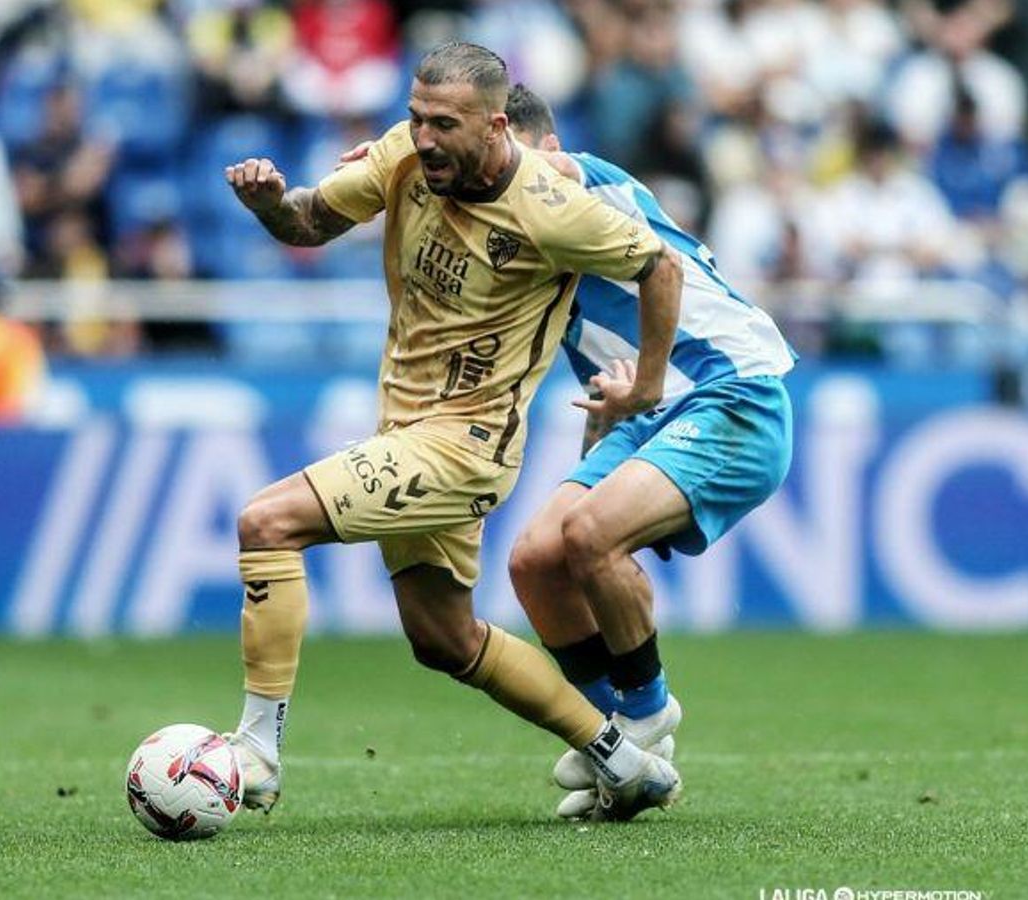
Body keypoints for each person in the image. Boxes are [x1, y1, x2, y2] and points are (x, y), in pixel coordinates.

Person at [222, 42, 686, 822]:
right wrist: (269, 202)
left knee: (266, 523)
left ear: (495, 125)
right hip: (405, 426)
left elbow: (659, 266)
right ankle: (626, 761)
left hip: (464, 448)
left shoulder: (548, 206)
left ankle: (256, 754)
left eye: (444, 124)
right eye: (416, 117)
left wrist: (646, 384)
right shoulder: (403, 157)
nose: (425, 137)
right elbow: (307, 223)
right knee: (443, 638)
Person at [498, 84, 796, 819]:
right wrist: (594, 449)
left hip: (732, 389)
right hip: (649, 413)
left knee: (591, 536)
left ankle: (646, 713)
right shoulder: (547, 272)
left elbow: (537, 175)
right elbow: (609, 393)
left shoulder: (581, 180)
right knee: (535, 559)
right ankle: (622, 752)